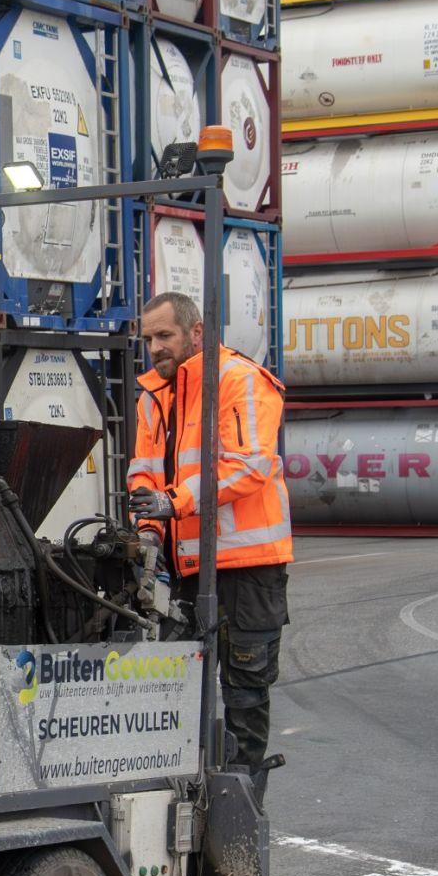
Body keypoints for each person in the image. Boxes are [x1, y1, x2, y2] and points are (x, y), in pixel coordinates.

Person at [125, 291, 292, 796]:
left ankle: (240, 809)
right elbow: (144, 473)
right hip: (187, 570)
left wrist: (173, 502)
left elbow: (250, 465)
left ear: (197, 333)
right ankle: (182, 803)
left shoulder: (239, 379)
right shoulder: (154, 396)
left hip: (247, 567)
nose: (155, 347)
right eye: (148, 338)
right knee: (176, 692)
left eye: (164, 335)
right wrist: (148, 533)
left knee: (244, 695)